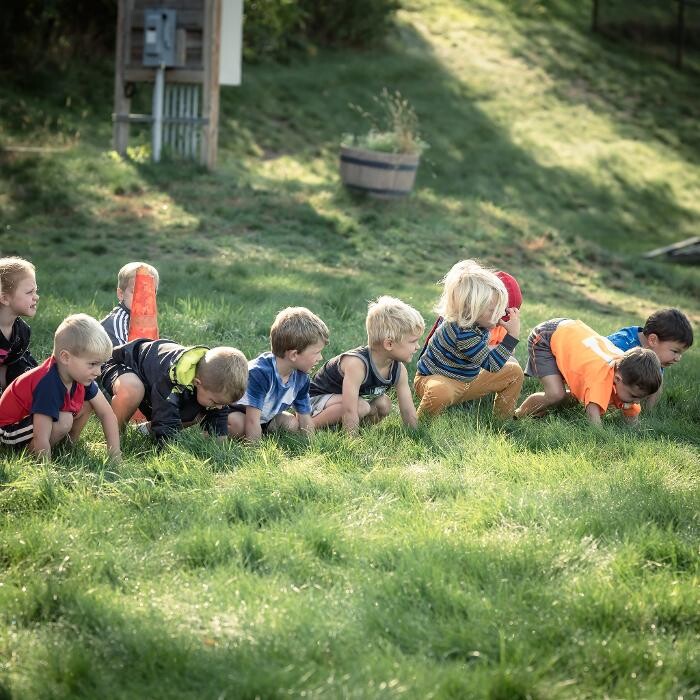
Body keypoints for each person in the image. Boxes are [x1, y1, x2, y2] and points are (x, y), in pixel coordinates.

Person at [0, 314, 120, 460]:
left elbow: (106, 414)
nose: (98, 372)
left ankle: (67, 446)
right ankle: (30, 455)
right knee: (64, 420)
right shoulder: (47, 383)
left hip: (30, 424)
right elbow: (40, 435)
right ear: (65, 357)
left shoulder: (81, 376)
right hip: (9, 431)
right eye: (93, 364)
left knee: (88, 403)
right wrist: (47, 474)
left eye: (101, 365)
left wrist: (115, 457)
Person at [414, 260, 523, 418]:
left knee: (514, 372)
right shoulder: (462, 332)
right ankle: (418, 427)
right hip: (438, 381)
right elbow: (492, 365)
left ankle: (502, 422)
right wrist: (512, 336)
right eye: (494, 309)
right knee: (440, 391)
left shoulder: (476, 323)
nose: (500, 314)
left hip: (465, 381)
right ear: (472, 309)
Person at [515, 318, 662, 425]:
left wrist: (635, 431)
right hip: (546, 336)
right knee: (555, 394)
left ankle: (541, 411)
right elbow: (594, 424)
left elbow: (632, 419)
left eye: (640, 398)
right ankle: (517, 415)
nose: (636, 401)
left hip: (571, 334)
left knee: (575, 397)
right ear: (617, 379)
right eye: (633, 396)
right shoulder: (599, 380)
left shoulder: (625, 373)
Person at [310, 296, 425, 432]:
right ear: (389, 344)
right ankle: (307, 427)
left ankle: (337, 430)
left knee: (384, 404)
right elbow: (349, 408)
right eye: (413, 341)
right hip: (315, 401)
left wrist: (416, 434)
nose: (418, 346)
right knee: (362, 406)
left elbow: (407, 410)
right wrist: (352, 443)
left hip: (346, 404)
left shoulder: (399, 369)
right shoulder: (357, 364)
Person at [101, 339, 248, 444]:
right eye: (216, 402)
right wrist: (169, 451)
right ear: (198, 383)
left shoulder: (211, 384)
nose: (219, 407)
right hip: (123, 364)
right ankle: (115, 436)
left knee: (197, 410)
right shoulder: (171, 378)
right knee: (133, 390)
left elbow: (218, 415)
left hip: (153, 383)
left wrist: (219, 445)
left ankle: (143, 431)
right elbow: (166, 418)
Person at [229, 307, 328, 442]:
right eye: (316, 352)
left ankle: (261, 432)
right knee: (239, 425)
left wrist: (312, 445)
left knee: (292, 424)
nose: (320, 358)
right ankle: (214, 430)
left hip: (265, 418)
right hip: (239, 412)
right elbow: (252, 420)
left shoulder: (301, 378)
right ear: (294, 355)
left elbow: (304, 416)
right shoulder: (260, 374)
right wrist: (255, 453)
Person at [607, 308, 693, 409]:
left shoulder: (656, 355)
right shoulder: (621, 347)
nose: (678, 358)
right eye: (675, 351)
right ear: (653, 340)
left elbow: (655, 385)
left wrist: (648, 411)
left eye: (680, 353)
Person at [0, 256, 39, 390]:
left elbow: (14, 365)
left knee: (27, 371)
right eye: (30, 292)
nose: (36, 297)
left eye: (36, 291)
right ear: (5, 298)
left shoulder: (21, 332)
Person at [100, 262, 160, 346]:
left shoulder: (148, 320)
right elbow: (123, 356)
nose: (143, 298)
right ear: (121, 294)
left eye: (149, 292)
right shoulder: (117, 324)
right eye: (136, 292)